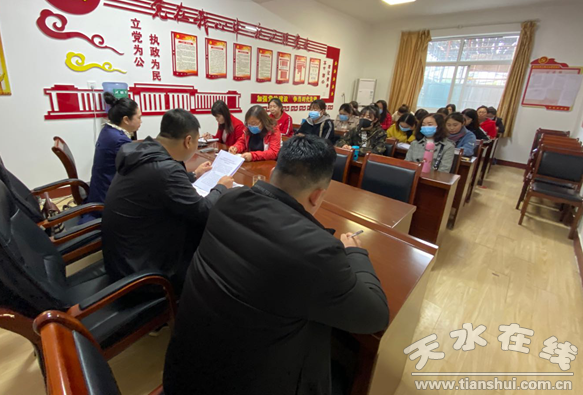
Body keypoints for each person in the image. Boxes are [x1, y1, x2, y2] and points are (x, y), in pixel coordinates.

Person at [163, 135, 389, 395]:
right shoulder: (318, 250)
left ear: (272, 174)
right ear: (317, 196)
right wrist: (355, 253)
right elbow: (375, 316)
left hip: (183, 374)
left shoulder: (227, 202)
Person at [102, 109, 234, 288]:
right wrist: (221, 187)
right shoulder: (166, 170)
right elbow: (204, 210)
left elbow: (157, 183)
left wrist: (193, 175)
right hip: (140, 271)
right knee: (208, 229)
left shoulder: (143, 151)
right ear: (188, 141)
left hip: (124, 254)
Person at [85, 93, 142, 218]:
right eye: (139, 117)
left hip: (100, 191)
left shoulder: (109, 131)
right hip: (107, 201)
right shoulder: (119, 140)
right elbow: (138, 169)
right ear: (126, 120)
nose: (141, 121)